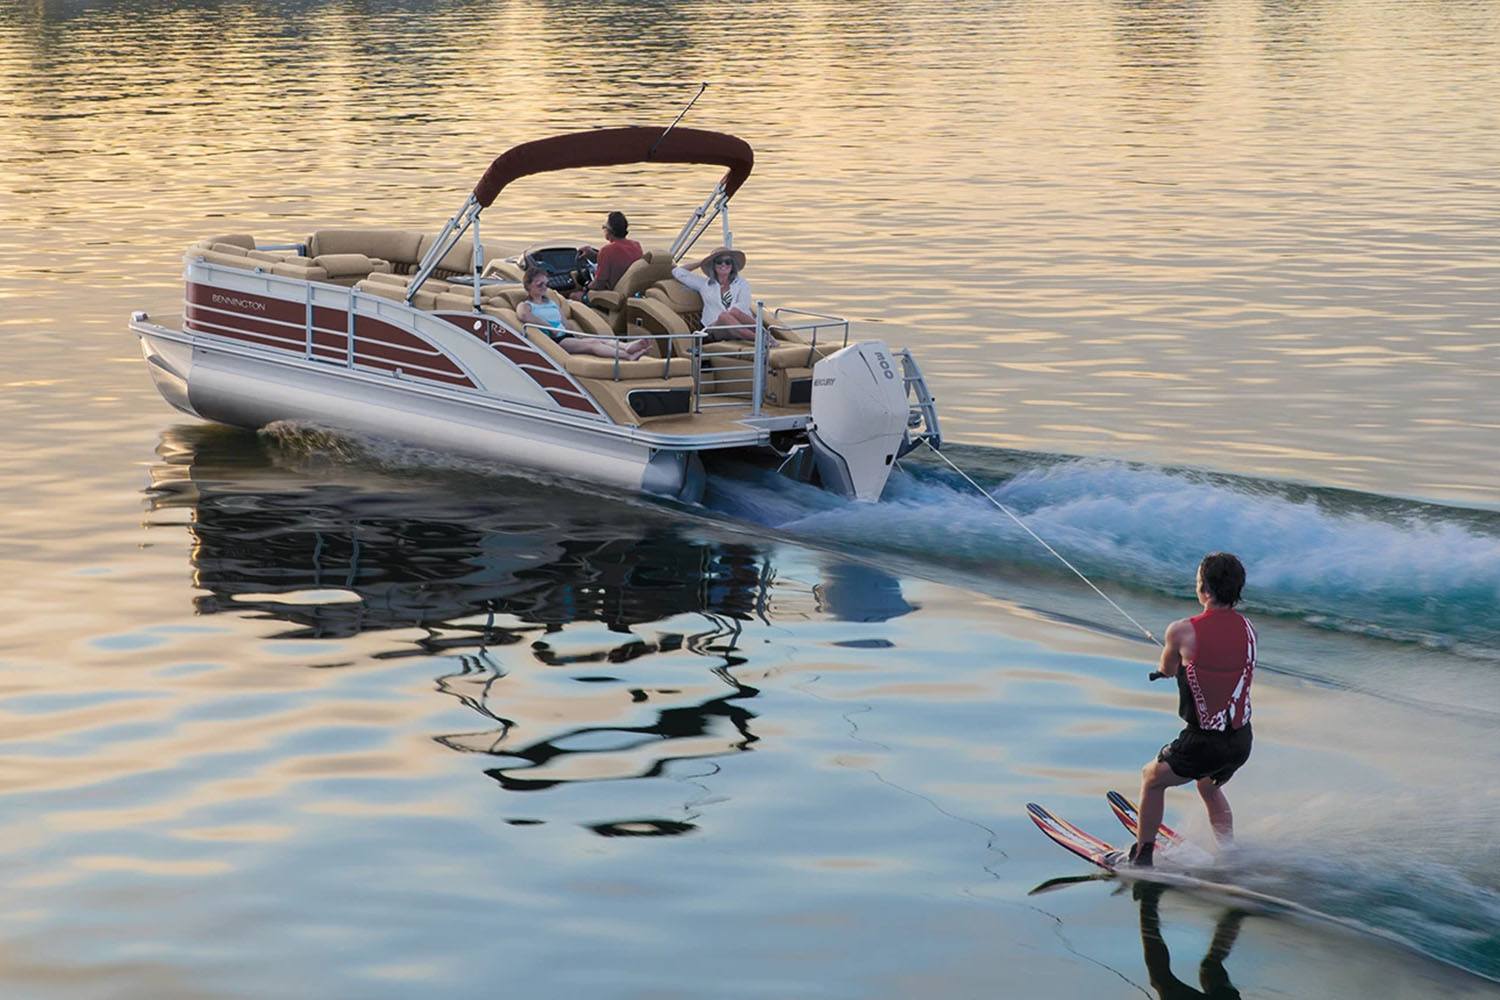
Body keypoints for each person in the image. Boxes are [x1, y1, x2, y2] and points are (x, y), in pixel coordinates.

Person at [1123, 552, 1256, 867]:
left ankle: (1142, 857)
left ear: (1205, 591)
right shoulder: (1250, 627)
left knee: (1151, 778)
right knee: (1207, 785)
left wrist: (1168, 666)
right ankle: (1229, 852)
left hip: (1205, 742)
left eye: (1198, 582)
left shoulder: (1181, 630)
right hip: (1241, 741)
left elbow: (1168, 668)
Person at [517, 266, 651, 360]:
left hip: (565, 336)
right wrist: (549, 327)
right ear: (528, 286)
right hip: (555, 341)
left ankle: (626, 346)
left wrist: (571, 332)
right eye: (539, 285)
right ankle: (627, 356)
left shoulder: (551, 302)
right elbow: (523, 316)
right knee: (592, 345)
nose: (544, 288)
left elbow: (566, 323)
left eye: (546, 284)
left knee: (598, 339)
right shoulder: (526, 305)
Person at [671, 246, 756, 341]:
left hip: (737, 324)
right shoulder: (704, 284)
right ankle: (759, 339)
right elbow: (677, 272)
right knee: (724, 316)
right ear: (713, 265)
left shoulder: (741, 283)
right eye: (719, 261)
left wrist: (731, 316)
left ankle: (767, 337)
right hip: (713, 329)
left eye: (728, 262)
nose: (724, 265)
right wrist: (702, 262)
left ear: (732, 265)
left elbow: (743, 305)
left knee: (733, 312)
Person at [571, 210, 643, 300]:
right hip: (630, 294)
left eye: (604, 227)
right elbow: (619, 259)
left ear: (609, 231)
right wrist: (594, 255)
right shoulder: (636, 246)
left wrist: (586, 287)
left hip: (612, 298)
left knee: (573, 296)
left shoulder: (606, 250)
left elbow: (599, 284)